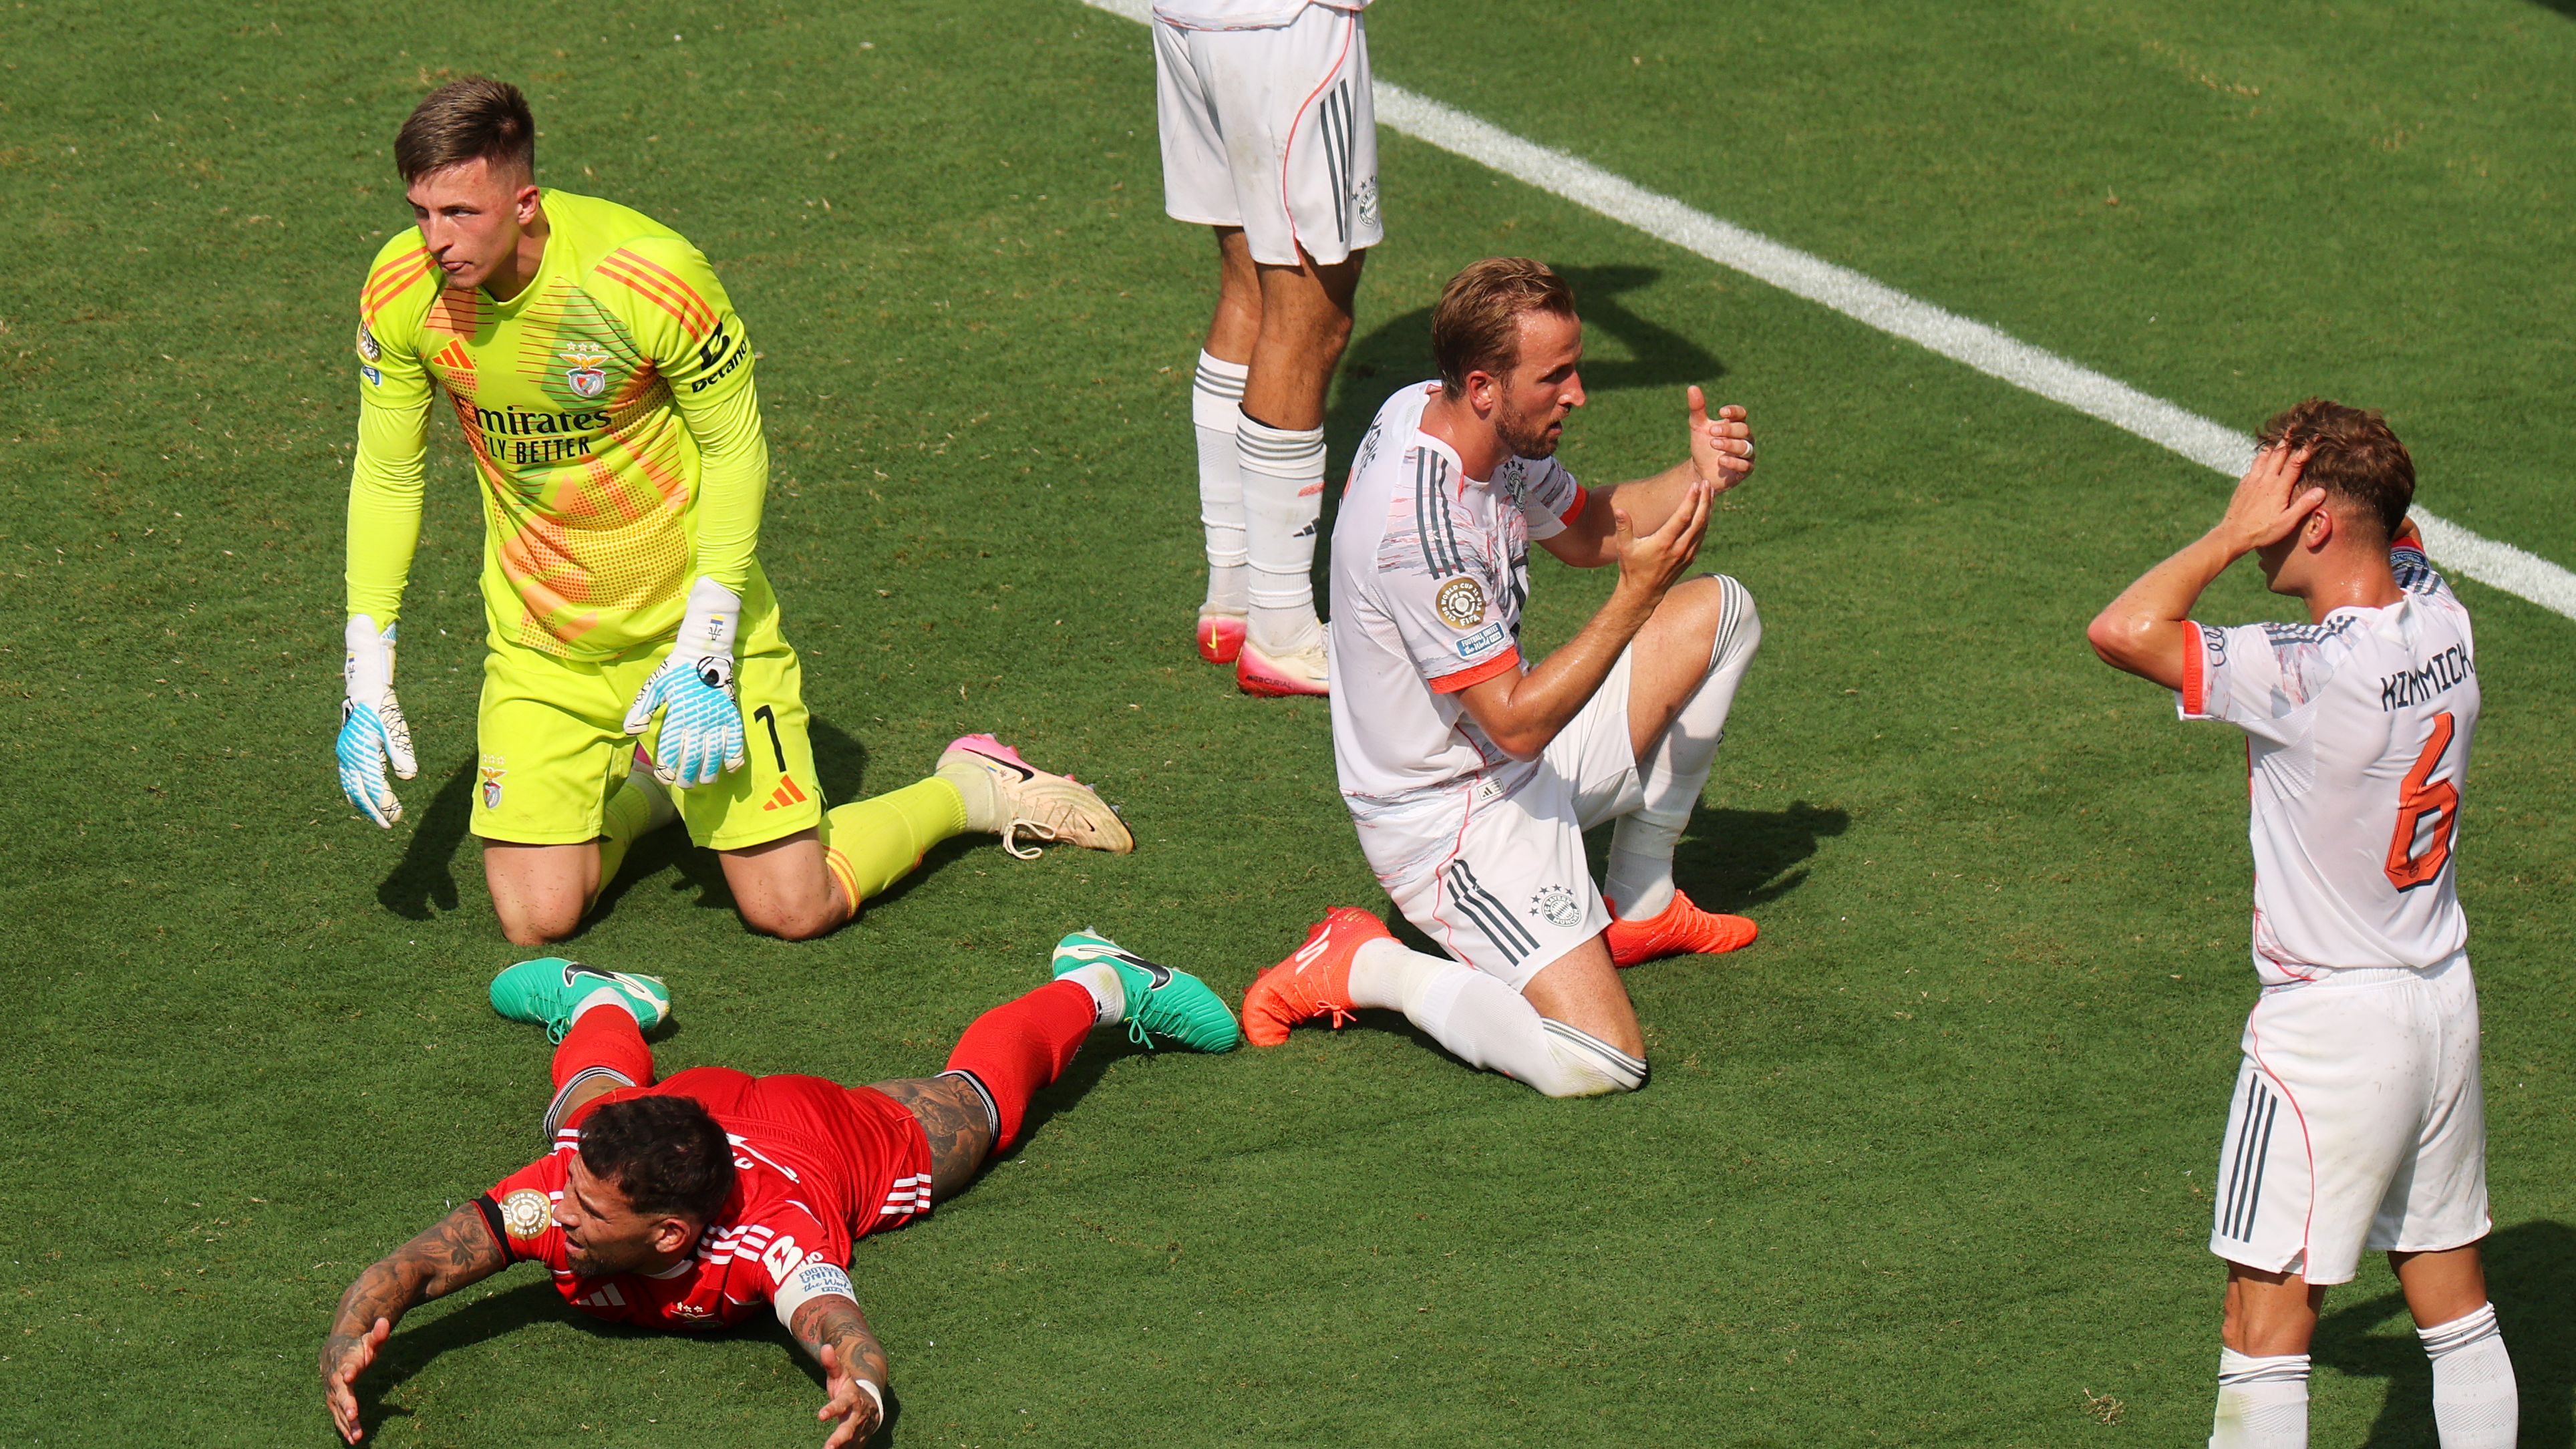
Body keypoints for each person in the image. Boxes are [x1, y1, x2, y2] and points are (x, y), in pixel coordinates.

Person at [335, 78, 1130, 945]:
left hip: (691, 637)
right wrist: (367, 671)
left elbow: (736, 448)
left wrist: (709, 643)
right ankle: (659, 786)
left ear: (524, 203)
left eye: (459, 212)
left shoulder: (642, 274)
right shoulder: (403, 292)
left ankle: (972, 786)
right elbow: (386, 473)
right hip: (545, 650)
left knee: (792, 907)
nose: (435, 240)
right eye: (420, 212)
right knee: (536, 916)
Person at [317, 940, 1241, 1446]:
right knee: (583, 1111)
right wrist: (355, 1326)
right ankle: (600, 998)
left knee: (979, 1110)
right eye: (571, 1195)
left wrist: (865, 1392)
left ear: (675, 1234)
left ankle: (1107, 981)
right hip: (671, 1120)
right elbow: (417, 1264)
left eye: (592, 1212)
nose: (560, 1213)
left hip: (819, 1133)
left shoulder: (773, 1238)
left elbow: (840, 1326)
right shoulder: (565, 1190)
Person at [2086, 401, 2515, 1449]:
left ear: (2318, 519)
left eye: (2275, 503)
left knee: (2263, 1326)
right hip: (2438, 1001)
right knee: (2455, 1307)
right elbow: (2398, 541)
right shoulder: (2442, 617)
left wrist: (2227, 537)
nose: (2256, 519)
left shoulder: (2307, 670)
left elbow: (2121, 629)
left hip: (2328, 1031)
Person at [1239, 258, 1763, 1096]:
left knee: (1722, 611)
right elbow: (1517, 721)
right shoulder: (1419, 530)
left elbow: (1592, 527)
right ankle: (1364, 963)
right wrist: (1633, 598)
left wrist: (1697, 474)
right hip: (1449, 819)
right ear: (1484, 386)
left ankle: (1640, 900)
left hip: (1519, 759)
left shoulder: (1457, 418)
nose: (1579, 393)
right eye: (1555, 376)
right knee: (1598, 1060)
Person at [1153, 0, 1380, 695]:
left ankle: (1232, 598)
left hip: (1191, 20)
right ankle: (1282, 632)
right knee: (1309, 317)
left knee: (1249, 286)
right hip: (1288, 31)